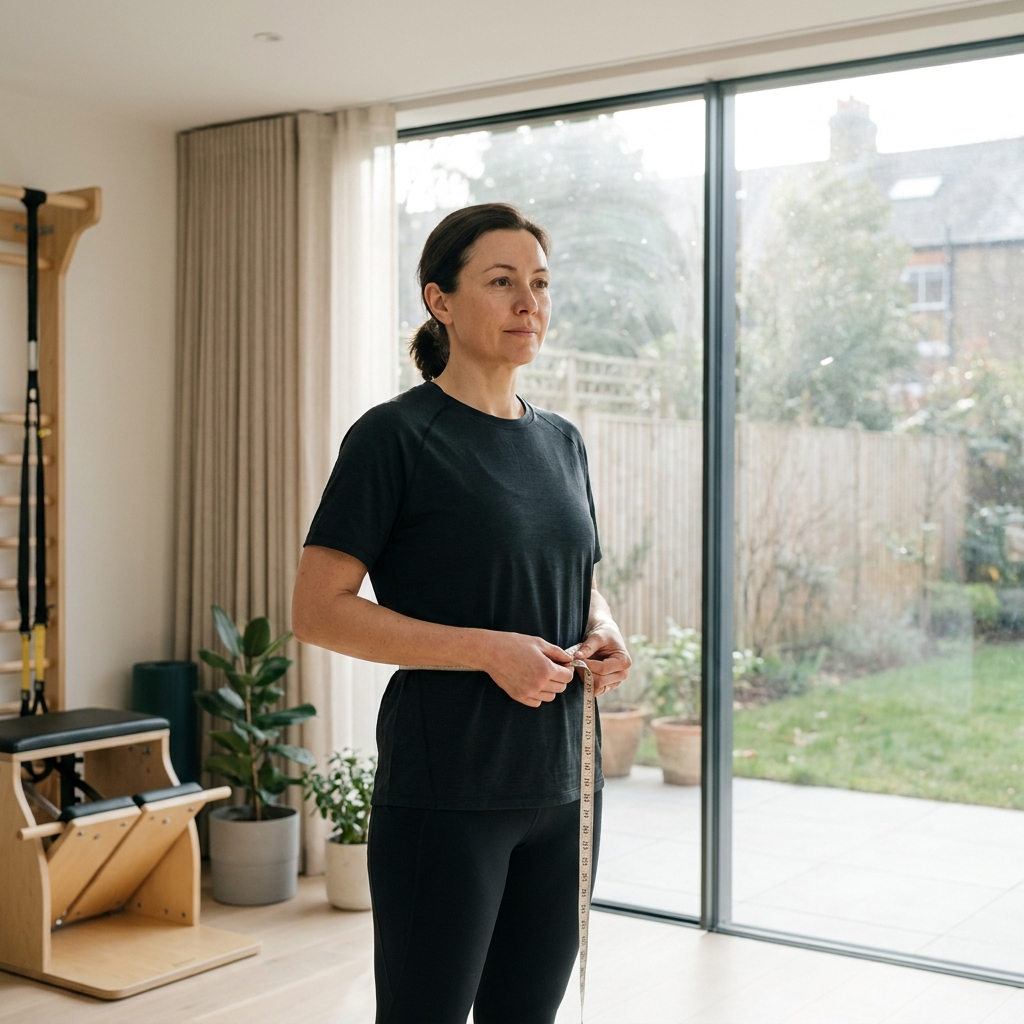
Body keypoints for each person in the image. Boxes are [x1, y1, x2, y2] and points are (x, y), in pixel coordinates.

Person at [292, 202, 631, 1024]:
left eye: (540, 284)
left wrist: (606, 629)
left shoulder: (563, 441)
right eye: (502, 282)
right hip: (449, 790)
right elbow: (317, 611)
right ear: (439, 300)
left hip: (566, 786)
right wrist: (487, 650)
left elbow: (573, 576)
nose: (529, 303)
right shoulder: (395, 438)